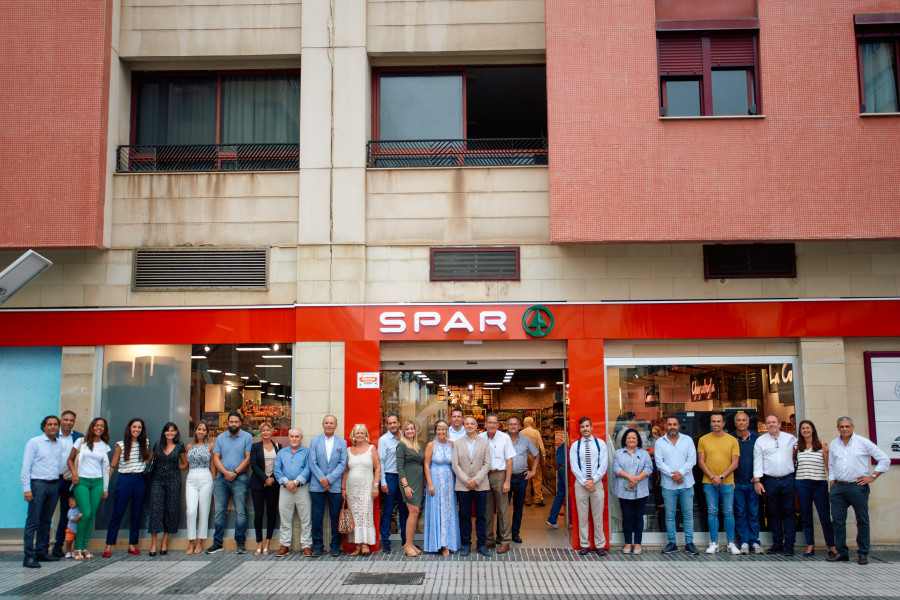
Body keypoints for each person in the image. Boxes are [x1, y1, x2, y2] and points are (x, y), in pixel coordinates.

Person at [826, 416, 890, 565]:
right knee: (837, 521)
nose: (845, 429)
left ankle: (863, 553)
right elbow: (832, 465)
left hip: (857, 486)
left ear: (852, 427)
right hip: (839, 487)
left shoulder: (863, 442)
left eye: (847, 426)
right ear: (838, 428)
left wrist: (873, 476)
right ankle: (842, 552)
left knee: (862, 520)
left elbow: (884, 459)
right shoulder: (834, 444)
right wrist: (833, 483)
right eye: (842, 427)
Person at [103, 417, 151, 557]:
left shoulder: (145, 443)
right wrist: (105, 485)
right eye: (134, 427)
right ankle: (108, 546)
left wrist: (154, 455)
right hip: (125, 479)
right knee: (118, 512)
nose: (137, 430)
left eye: (139, 427)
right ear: (129, 428)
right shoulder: (121, 445)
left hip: (140, 479)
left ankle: (132, 545)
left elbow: (147, 460)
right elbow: (112, 465)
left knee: (136, 513)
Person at [208, 411, 253, 554]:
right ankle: (217, 543)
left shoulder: (247, 437)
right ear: (227, 423)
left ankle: (240, 542)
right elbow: (216, 458)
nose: (233, 424)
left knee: (241, 511)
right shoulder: (221, 438)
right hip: (222, 478)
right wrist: (226, 473)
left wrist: (235, 473)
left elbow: (248, 458)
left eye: (236, 422)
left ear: (240, 423)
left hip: (240, 478)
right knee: (219, 511)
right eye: (231, 422)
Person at [752, 414, 797, 556]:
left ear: (779, 424)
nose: (771, 425)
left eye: (774, 422)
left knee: (789, 512)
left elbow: (802, 451)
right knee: (774, 512)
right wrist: (757, 480)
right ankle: (777, 543)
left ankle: (789, 544)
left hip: (788, 479)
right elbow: (757, 461)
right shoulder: (761, 441)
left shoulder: (791, 439)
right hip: (770, 480)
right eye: (768, 422)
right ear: (766, 425)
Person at [21, 415, 63, 568]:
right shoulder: (34, 443)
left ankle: (41, 552)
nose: (53, 427)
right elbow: (26, 466)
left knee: (46, 521)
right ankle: (28, 556)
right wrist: (27, 488)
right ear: (44, 427)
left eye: (55, 424)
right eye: (49, 424)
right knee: (33, 521)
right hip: (38, 484)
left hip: (53, 484)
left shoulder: (58, 444)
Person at [67, 417, 111, 560]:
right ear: (92, 427)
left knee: (91, 515)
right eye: (96, 425)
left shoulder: (105, 446)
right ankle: (77, 548)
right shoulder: (81, 442)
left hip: (97, 482)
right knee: (85, 514)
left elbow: (105, 468)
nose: (99, 428)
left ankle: (85, 548)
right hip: (82, 482)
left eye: (102, 426)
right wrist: (74, 473)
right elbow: (70, 459)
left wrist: (105, 488)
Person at [697, 413, 741, 555]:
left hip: (727, 482)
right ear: (710, 423)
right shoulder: (703, 440)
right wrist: (712, 476)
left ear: (723, 424)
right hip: (709, 482)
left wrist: (721, 476)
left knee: (728, 512)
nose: (716, 424)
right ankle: (714, 543)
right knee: (712, 512)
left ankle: (730, 543)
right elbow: (701, 461)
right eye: (713, 421)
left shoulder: (732, 440)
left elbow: (735, 463)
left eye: (719, 421)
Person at [654, 416, 698, 555]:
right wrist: (673, 475)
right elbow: (659, 462)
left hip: (686, 483)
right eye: (669, 424)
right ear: (665, 426)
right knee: (669, 515)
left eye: (674, 424)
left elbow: (692, 460)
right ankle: (672, 543)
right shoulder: (660, 442)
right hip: (668, 484)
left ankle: (689, 543)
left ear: (679, 426)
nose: (672, 427)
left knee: (688, 514)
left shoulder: (687, 441)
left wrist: (680, 474)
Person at [795, 419, 837, 558]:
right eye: (803, 428)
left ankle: (831, 545)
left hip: (819, 484)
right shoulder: (797, 447)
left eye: (808, 428)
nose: (805, 430)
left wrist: (832, 481)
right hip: (802, 484)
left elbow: (828, 467)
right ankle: (810, 545)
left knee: (824, 516)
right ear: (800, 431)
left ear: (813, 430)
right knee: (806, 516)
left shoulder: (822, 446)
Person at [451, 415, 491, 556]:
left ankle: (481, 545)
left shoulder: (484, 442)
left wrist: (476, 480)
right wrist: (466, 480)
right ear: (464, 425)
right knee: (465, 516)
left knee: (481, 516)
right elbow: (455, 464)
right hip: (463, 485)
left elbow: (487, 463)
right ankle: (466, 544)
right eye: (466, 423)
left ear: (476, 426)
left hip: (480, 485)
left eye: (472, 423)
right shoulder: (457, 443)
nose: (469, 426)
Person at [569, 416, 609, 556]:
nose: (585, 429)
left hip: (596, 483)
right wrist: (585, 481)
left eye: (587, 426)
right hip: (581, 484)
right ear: (579, 429)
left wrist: (593, 480)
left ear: (591, 427)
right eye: (582, 427)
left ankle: (600, 545)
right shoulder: (575, 446)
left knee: (598, 516)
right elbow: (574, 466)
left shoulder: (600, 444)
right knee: (582, 516)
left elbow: (603, 464)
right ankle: (584, 544)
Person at [309, 414, 348, 557]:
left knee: (335, 516)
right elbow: (312, 462)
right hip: (317, 485)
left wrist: (329, 479)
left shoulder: (341, 442)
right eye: (327, 423)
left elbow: (343, 464)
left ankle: (335, 546)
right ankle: (318, 545)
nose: (329, 425)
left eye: (332, 423)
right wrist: (322, 479)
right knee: (317, 516)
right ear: (322, 424)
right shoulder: (314, 441)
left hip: (335, 485)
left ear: (336, 425)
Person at [341, 423, 380, 556]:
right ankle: (357, 545)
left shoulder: (371, 449)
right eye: (357, 433)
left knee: (365, 514)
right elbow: (345, 471)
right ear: (354, 435)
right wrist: (343, 488)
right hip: (352, 489)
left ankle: (365, 544)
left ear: (366, 435)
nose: (359, 435)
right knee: (355, 516)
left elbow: (378, 468)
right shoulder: (348, 451)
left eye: (362, 433)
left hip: (367, 487)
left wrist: (375, 485)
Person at [148, 422, 187, 556]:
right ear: (164, 432)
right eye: (168, 431)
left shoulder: (180, 446)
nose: (170, 433)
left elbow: (185, 464)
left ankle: (164, 543)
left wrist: (174, 470)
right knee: (156, 510)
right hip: (157, 481)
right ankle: (153, 544)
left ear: (176, 432)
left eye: (173, 431)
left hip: (174, 481)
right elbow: (151, 462)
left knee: (171, 510)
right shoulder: (158, 445)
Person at [612, 428, 653, 554]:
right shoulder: (619, 453)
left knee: (638, 517)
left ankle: (638, 544)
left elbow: (649, 467)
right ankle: (628, 543)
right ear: (625, 440)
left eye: (634, 438)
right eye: (629, 438)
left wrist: (636, 479)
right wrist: (630, 477)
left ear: (638, 440)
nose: (631, 440)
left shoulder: (644, 453)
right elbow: (615, 468)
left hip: (640, 490)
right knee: (627, 517)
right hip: (623, 491)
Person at [479, 413, 515, 553]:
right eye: (489, 422)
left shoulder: (505, 438)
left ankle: (505, 540)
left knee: (503, 509)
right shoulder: (480, 438)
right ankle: (489, 539)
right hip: (484, 476)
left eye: (494, 423)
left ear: (498, 424)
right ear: (485, 424)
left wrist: (507, 481)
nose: (492, 425)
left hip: (500, 475)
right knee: (486, 510)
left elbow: (509, 460)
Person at [274, 428, 313, 557]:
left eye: (297, 436)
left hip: (302, 489)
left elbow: (308, 469)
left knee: (305, 518)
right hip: (285, 489)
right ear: (288, 438)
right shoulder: (281, 453)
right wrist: (287, 483)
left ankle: (306, 545)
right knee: (285, 518)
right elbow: (277, 470)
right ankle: (285, 545)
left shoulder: (307, 452)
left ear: (301, 438)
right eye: (292, 436)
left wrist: (295, 482)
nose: (294, 439)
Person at [424, 420, 460, 556]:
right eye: (438, 430)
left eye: (443, 430)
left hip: (449, 482)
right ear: (436, 431)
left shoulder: (452, 444)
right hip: (435, 481)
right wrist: (430, 483)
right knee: (437, 510)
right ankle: (437, 543)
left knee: (448, 511)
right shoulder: (431, 445)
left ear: (447, 431)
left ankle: (448, 543)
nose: (441, 432)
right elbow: (426, 464)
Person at [52, 410, 82, 558]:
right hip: (51, 478)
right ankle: (42, 546)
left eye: (71, 420)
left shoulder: (79, 438)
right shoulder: (52, 436)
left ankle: (58, 546)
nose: (68, 422)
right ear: (61, 421)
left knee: (66, 513)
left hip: (69, 480)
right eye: (66, 420)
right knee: (47, 513)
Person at [506, 416, 540, 543]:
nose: (513, 426)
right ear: (507, 426)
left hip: (521, 478)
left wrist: (533, 471)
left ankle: (515, 533)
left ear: (520, 426)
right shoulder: (503, 439)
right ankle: (501, 534)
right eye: (510, 424)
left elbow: (536, 455)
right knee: (503, 508)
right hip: (506, 479)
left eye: (515, 424)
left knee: (518, 508)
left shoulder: (526, 440)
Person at [731, 411, 762, 554]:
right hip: (736, 482)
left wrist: (758, 478)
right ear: (735, 422)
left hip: (753, 482)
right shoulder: (730, 438)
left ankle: (754, 541)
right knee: (740, 512)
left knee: (754, 513)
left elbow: (762, 460)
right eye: (739, 420)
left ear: (748, 423)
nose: (741, 422)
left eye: (744, 420)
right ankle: (743, 541)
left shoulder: (757, 439)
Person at [250, 421, 282, 555]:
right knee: (258, 514)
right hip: (258, 483)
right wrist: (265, 478)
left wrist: (272, 479)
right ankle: (259, 542)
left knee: (271, 513)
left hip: (273, 484)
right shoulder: (255, 446)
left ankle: (268, 542)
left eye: (268, 430)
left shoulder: (278, 446)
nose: (266, 432)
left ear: (272, 431)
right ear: (260, 432)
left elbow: (280, 465)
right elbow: (254, 464)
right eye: (263, 430)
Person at [378, 413, 408, 552]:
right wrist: (383, 482)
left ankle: (406, 541)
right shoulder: (383, 440)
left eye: (394, 422)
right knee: (388, 511)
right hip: (390, 477)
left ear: (399, 423)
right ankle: (386, 542)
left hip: (404, 478)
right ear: (387, 425)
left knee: (404, 510)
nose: (392, 425)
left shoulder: (406, 436)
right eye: (390, 423)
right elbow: (381, 462)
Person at [185, 421, 215, 555]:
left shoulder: (210, 446)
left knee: (204, 510)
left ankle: (199, 542)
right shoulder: (189, 446)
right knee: (191, 511)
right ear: (195, 431)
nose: (201, 432)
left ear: (207, 432)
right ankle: (190, 541)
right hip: (191, 477)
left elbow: (213, 465)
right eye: (199, 429)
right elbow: (185, 465)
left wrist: (214, 481)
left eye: (204, 430)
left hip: (205, 477)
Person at [396, 420, 424, 557]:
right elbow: (399, 467)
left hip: (418, 482)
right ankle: (407, 545)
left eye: (412, 429)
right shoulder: (401, 446)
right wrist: (406, 485)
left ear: (415, 430)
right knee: (413, 512)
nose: (410, 431)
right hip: (408, 482)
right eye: (407, 429)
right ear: (403, 431)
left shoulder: (419, 445)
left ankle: (411, 543)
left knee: (415, 512)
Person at [521, 416, 545, 507]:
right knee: (537, 478)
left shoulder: (521, 433)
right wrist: (544, 458)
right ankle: (538, 499)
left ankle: (527, 500)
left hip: (523, 456)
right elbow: (541, 446)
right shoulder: (536, 432)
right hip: (534, 456)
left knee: (526, 478)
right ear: (532, 423)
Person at [545, 442, 567, 529]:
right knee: (571, 495)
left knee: (560, 495)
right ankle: (572, 520)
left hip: (561, 469)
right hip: (566, 470)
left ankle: (552, 519)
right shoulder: (576, 442)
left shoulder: (563, 445)